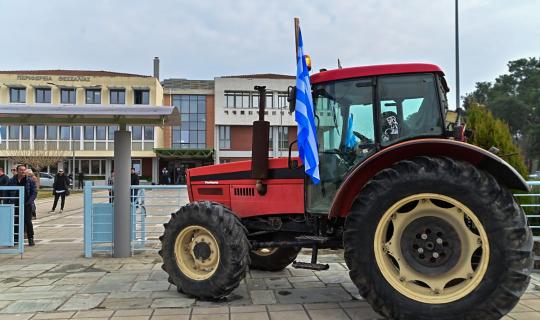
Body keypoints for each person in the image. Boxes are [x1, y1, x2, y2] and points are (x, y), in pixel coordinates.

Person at [9, 164, 37, 246]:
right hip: (15, 204)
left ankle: (30, 238)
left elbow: (34, 192)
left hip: (26, 204)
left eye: (24, 170)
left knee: (28, 221)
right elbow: (7, 191)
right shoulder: (11, 180)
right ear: (17, 171)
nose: (23, 171)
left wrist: (29, 201)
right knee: (15, 221)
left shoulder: (30, 180)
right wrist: (9, 202)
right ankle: (15, 238)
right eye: (21, 170)